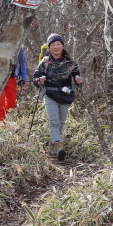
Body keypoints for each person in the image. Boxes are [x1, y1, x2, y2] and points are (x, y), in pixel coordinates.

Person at [32, 33, 82, 161]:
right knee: (54, 123)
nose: (55, 47)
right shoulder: (44, 62)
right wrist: (39, 80)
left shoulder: (71, 63)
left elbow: (77, 78)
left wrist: (78, 80)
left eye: (58, 44)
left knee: (61, 123)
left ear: (63, 46)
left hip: (65, 95)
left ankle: (54, 145)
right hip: (50, 95)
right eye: (53, 45)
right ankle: (59, 146)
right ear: (49, 47)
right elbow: (35, 78)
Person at [0, 47, 27, 121]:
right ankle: (1, 124)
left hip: (11, 77)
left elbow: (22, 61)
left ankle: (5, 120)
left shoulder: (18, 45)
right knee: (0, 103)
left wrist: (23, 78)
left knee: (11, 104)